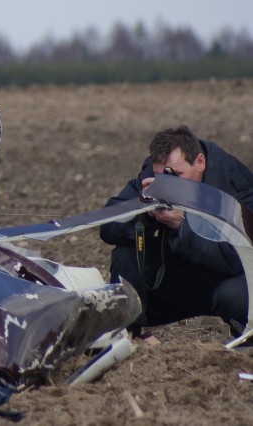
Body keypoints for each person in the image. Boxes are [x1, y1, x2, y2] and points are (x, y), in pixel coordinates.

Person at [100, 125, 253, 338]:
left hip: (227, 278)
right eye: (162, 178)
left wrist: (182, 225)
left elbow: (238, 258)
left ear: (200, 162)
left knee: (236, 296)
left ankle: (246, 338)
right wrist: (146, 213)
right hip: (181, 279)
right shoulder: (154, 175)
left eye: (177, 176)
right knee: (126, 254)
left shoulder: (232, 182)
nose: (169, 185)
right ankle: (128, 335)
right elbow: (108, 226)